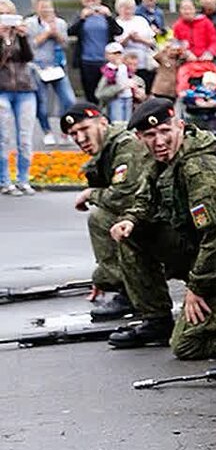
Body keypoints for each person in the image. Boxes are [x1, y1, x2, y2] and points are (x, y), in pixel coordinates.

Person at [107, 98, 216, 358]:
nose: (159, 141)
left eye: (165, 131)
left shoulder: (199, 169)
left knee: (186, 345)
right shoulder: (162, 160)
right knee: (133, 233)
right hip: (206, 252)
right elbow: (145, 200)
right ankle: (156, 321)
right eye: (150, 135)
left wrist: (198, 288)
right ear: (139, 138)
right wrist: (130, 219)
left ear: (181, 127)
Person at [60, 102, 153, 320]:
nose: (80, 138)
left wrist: (89, 194)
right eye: (74, 134)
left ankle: (132, 292)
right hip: (146, 207)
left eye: (85, 129)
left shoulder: (125, 145)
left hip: (157, 211)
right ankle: (123, 285)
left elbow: (123, 196)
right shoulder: (108, 148)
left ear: (102, 123)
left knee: (102, 219)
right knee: (103, 217)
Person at [24, 0, 74, 146]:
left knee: (69, 100)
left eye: (48, 6)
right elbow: (30, 45)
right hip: (38, 67)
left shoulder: (60, 23)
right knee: (42, 103)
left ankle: (66, 131)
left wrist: (55, 32)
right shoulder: (30, 23)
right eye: (42, 6)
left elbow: (65, 43)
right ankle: (47, 131)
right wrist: (46, 33)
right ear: (36, 8)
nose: (46, 9)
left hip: (57, 66)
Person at [0, 0, 37, 197]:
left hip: (25, 89)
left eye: (8, 15)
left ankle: (24, 179)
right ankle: (5, 180)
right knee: (3, 137)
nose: (5, 20)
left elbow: (29, 57)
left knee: (25, 138)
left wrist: (23, 37)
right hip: (2, 89)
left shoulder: (19, 35)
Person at [68, 0, 121, 104]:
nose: (91, 4)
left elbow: (118, 31)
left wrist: (109, 16)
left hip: (106, 61)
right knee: (90, 93)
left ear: (99, 1)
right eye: (88, 1)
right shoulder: (80, 16)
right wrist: (82, 19)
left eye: (93, 1)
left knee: (106, 92)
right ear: (83, 2)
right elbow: (70, 31)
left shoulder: (105, 17)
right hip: (87, 60)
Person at [113, 0, 156, 89]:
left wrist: (139, 39)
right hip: (125, 63)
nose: (127, 11)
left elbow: (152, 42)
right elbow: (115, 47)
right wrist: (127, 38)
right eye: (124, 8)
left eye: (130, 8)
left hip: (144, 62)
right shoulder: (116, 23)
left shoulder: (141, 20)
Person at [96, 42, 133, 123]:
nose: (117, 56)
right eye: (113, 54)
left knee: (128, 121)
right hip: (116, 97)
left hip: (127, 96)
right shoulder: (108, 69)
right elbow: (104, 85)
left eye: (119, 54)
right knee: (117, 121)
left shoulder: (124, 67)